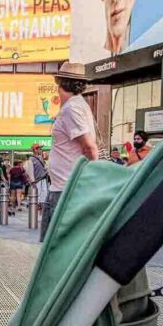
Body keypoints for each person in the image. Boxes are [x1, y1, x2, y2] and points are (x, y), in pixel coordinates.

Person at [46, 62, 98, 241]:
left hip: (65, 188)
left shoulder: (71, 109)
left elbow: (89, 146)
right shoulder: (76, 105)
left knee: (57, 244)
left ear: (60, 82)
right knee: (54, 244)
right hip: (63, 185)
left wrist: (94, 177)